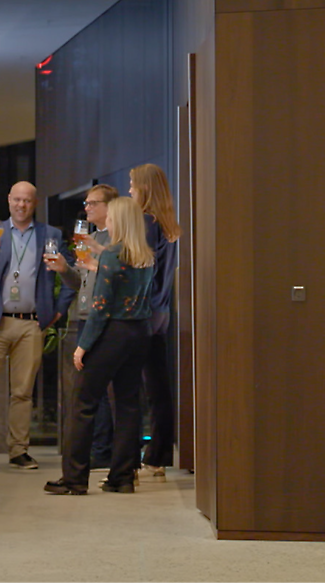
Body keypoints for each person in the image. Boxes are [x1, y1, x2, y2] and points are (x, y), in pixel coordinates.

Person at [44, 197, 155, 495]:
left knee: (82, 402)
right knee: (129, 404)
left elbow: (101, 307)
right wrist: (98, 254)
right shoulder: (144, 255)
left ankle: (74, 479)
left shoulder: (112, 256)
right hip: (139, 332)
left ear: (120, 220)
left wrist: (83, 346)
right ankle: (122, 476)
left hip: (112, 333)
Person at [0, 181, 75, 470]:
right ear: (9, 201)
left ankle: (18, 450)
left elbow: (69, 276)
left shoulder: (50, 234)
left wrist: (58, 311)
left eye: (27, 201)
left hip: (31, 324)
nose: (21, 205)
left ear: (34, 203)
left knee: (23, 392)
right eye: (17, 200)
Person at [48, 183, 119, 469]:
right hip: (84, 316)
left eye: (93, 203)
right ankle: (95, 449)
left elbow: (115, 275)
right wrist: (65, 270)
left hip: (107, 319)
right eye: (86, 204)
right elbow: (80, 282)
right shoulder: (86, 238)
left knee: (105, 390)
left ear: (108, 207)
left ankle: (106, 451)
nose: (87, 208)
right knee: (88, 390)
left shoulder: (117, 240)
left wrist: (93, 262)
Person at [129, 163, 181, 480]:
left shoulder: (146, 223)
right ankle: (158, 455)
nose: (130, 191)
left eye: (133, 185)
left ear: (145, 188)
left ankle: (134, 458)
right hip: (161, 313)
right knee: (159, 387)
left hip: (142, 313)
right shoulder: (167, 224)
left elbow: (139, 271)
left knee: (132, 389)